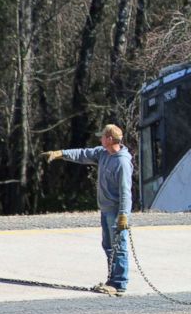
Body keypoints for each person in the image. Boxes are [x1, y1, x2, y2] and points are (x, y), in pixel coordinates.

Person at [41, 124, 133, 296]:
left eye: (102, 136)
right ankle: (112, 281)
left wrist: (123, 216)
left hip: (116, 212)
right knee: (108, 246)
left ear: (110, 139)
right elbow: (83, 154)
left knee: (118, 247)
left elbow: (125, 192)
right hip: (106, 209)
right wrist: (61, 153)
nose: (100, 139)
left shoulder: (121, 162)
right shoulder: (103, 153)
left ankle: (119, 283)